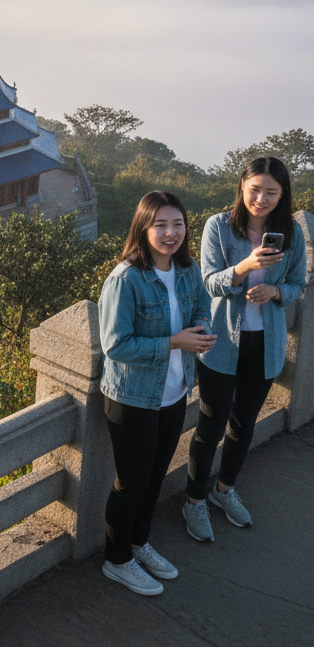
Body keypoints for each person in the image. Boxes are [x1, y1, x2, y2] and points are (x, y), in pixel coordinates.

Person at [183, 157, 307, 540]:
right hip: (221, 341)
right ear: (242, 186)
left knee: (243, 425)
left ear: (282, 195)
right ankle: (194, 500)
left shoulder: (291, 233)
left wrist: (276, 291)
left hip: (265, 344)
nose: (261, 199)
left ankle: (223, 490)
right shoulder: (218, 226)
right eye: (255, 189)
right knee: (210, 426)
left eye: (271, 192)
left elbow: (298, 284)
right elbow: (209, 282)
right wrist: (245, 267)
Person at [98, 190, 215, 596]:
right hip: (132, 397)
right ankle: (116, 560)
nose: (170, 233)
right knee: (131, 483)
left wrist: (200, 331)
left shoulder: (187, 270)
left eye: (177, 224)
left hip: (174, 392)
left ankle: (138, 543)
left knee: (154, 477)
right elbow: (116, 345)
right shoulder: (125, 279)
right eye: (160, 224)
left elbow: (202, 307)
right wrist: (174, 342)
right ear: (143, 228)